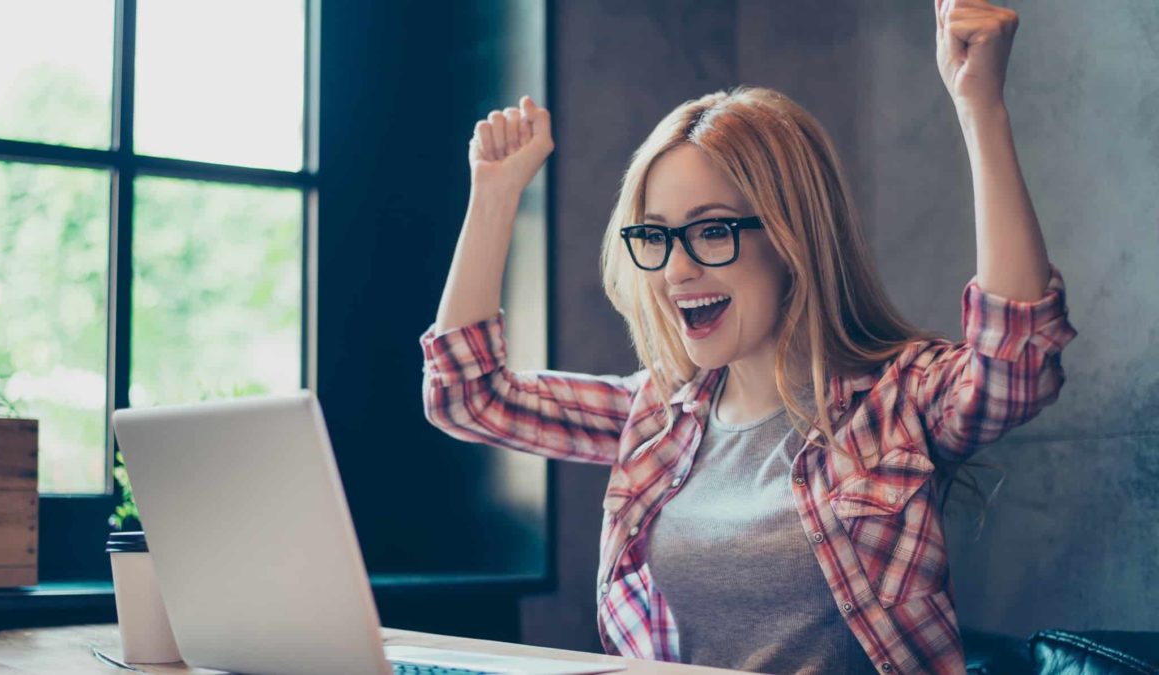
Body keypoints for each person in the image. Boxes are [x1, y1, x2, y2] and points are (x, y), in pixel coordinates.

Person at [420, 1, 1077, 672]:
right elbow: (467, 397)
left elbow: (1015, 365)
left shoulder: (896, 400)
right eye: (656, 235)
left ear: (793, 238)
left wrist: (979, 107)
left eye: (711, 230)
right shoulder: (653, 415)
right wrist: (494, 194)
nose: (677, 269)